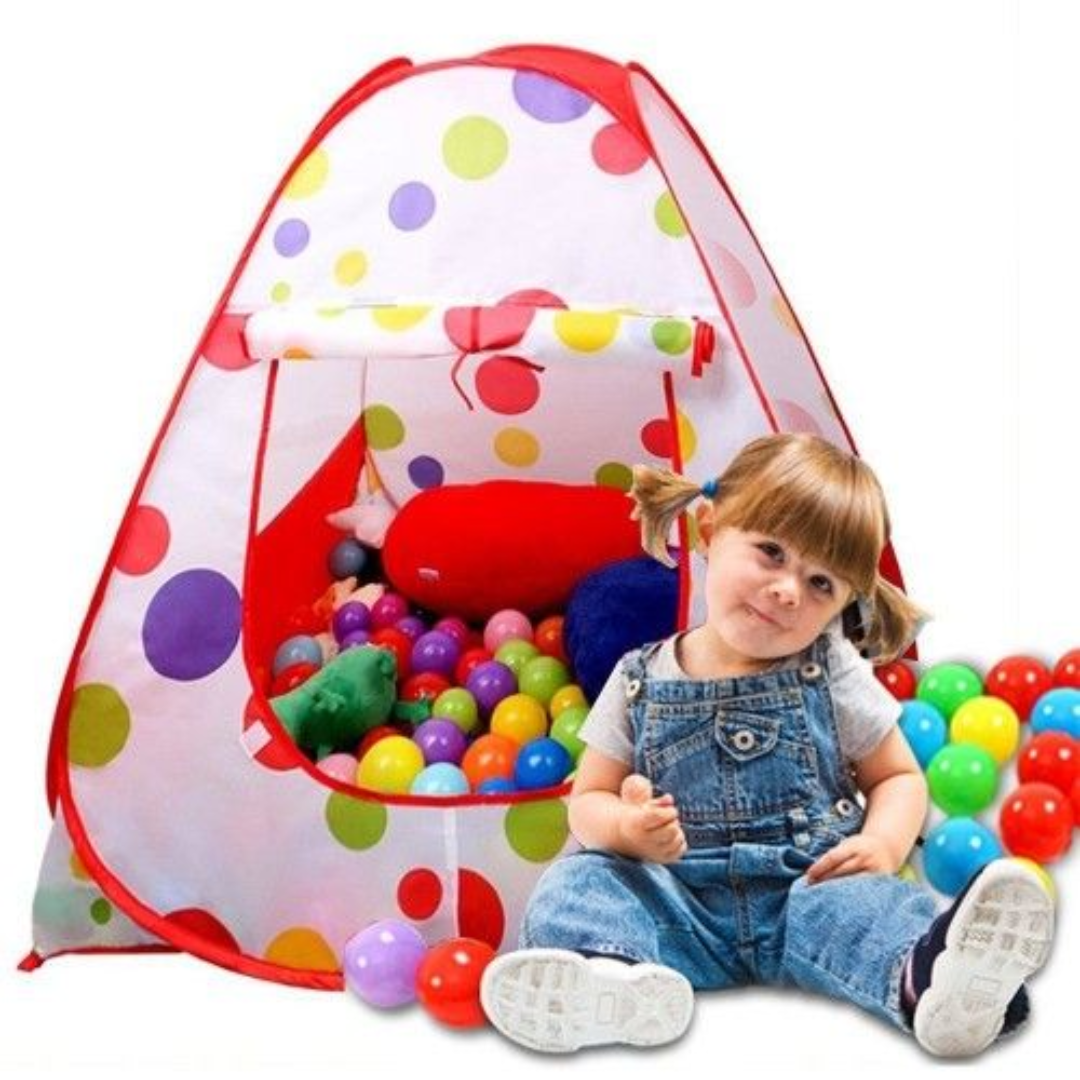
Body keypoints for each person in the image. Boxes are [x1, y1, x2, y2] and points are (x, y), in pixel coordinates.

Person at [480, 433, 1054, 1057]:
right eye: (771, 552)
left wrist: (884, 845)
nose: (788, 590)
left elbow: (897, 777)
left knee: (873, 909)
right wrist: (626, 828)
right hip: (679, 904)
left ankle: (932, 982)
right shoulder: (636, 677)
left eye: (821, 584)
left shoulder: (830, 668)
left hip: (807, 890)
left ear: (843, 605)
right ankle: (609, 975)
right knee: (579, 882)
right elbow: (587, 799)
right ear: (709, 529)